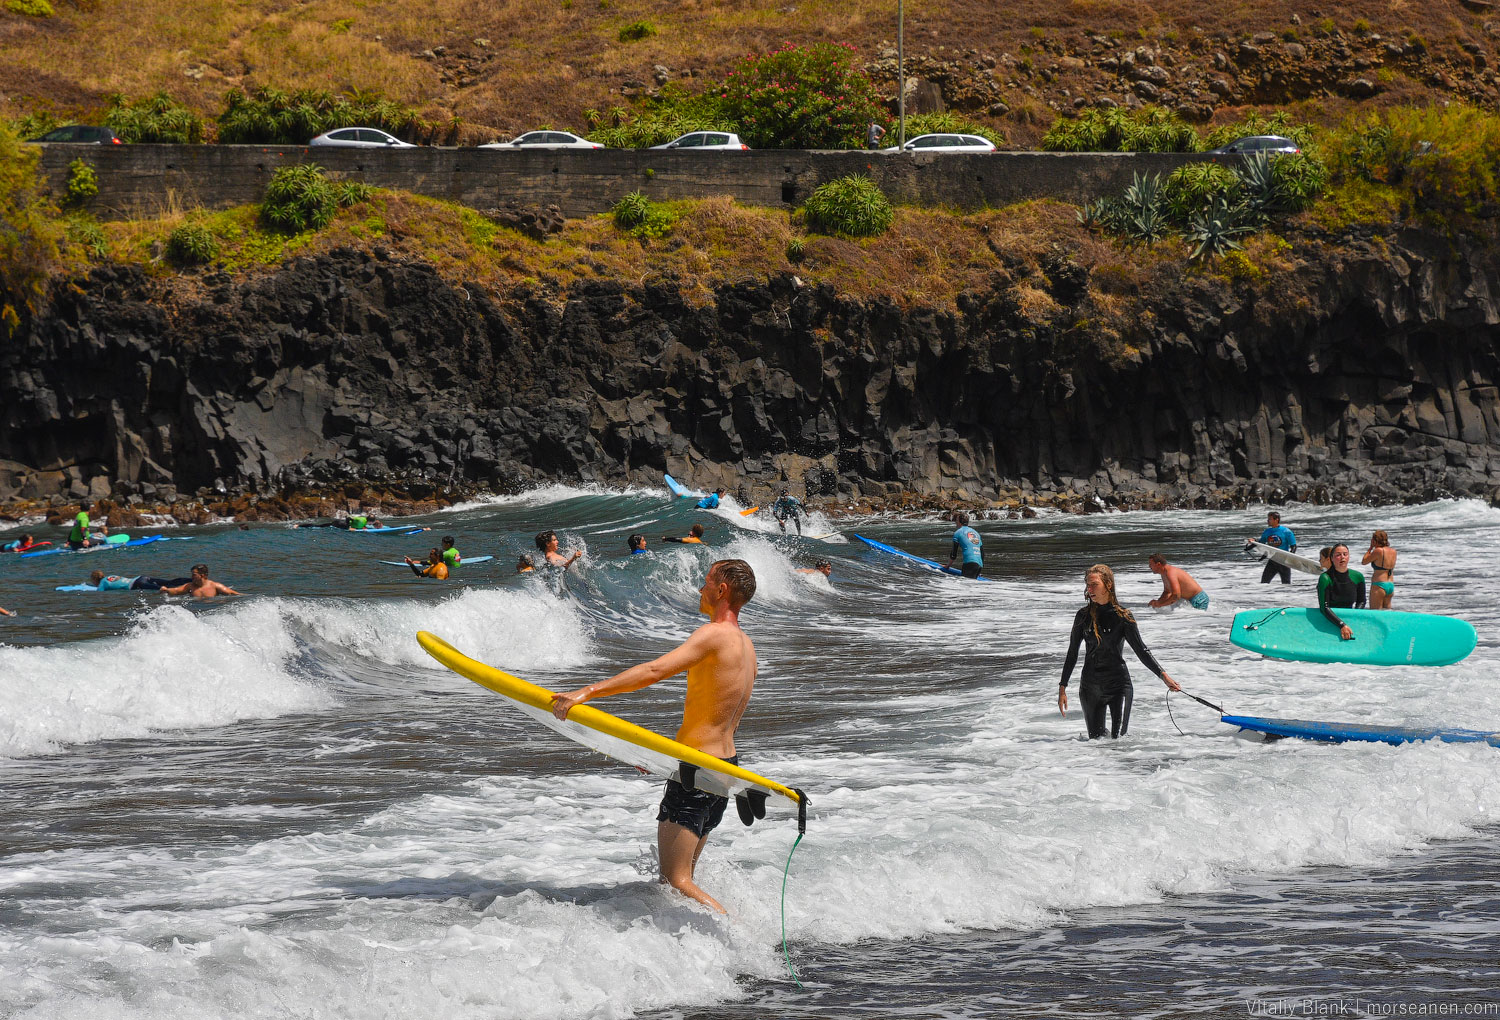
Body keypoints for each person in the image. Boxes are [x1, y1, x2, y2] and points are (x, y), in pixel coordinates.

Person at [550, 559, 759, 913]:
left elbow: (654, 670)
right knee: (684, 879)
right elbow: (713, 718)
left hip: (696, 772)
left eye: (706, 582)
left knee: (676, 882)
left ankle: (737, 936)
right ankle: (702, 954)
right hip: (725, 771)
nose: (700, 589)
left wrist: (587, 692)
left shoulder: (712, 635)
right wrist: (661, 760)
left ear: (722, 590)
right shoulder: (747, 647)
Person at [1058, 564, 1181, 740]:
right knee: (1096, 741)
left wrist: (1164, 676)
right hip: (1090, 687)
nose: (1089, 589)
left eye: (1094, 584)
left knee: (1119, 742)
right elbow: (1072, 653)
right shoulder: (1082, 616)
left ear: (1108, 584)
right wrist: (1062, 688)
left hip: (1119, 685)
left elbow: (1142, 651)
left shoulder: (1123, 616)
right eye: (1087, 585)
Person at [1318, 543, 1366, 641]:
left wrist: (1354, 616)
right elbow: (1324, 608)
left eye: (1345, 554)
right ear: (1332, 558)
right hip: (1330, 621)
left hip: (1349, 620)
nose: (1342, 557)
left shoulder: (1358, 577)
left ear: (1348, 557)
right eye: (1338, 555)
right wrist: (1342, 625)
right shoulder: (1325, 578)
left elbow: (1361, 601)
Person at [1248, 511, 1297, 585]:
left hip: (1283, 562)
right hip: (1272, 560)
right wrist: (1253, 542)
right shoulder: (1267, 531)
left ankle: (1286, 597)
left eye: (1270, 519)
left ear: (1276, 519)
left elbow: (1293, 546)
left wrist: (1289, 558)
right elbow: (1261, 543)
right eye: (1268, 519)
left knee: (1286, 585)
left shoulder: (1286, 531)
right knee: (1264, 583)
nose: (1268, 521)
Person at [1362, 530, 1397, 610]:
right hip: (1390, 584)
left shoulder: (1378, 551)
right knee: (1387, 613)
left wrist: (1370, 548)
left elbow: (1364, 561)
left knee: (1375, 613)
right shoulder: (1393, 551)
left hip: (1379, 585)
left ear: (1374, 540)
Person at [160, 564, 240, 598]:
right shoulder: (190, 586)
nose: (191, 577)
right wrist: (166, 590)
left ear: (202, 575)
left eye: (194, 574)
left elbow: (234, 594)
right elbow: (176, 591)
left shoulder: (215, 586)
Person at [946, 512, 984, 579]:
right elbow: (982, 554)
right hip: (979, 565)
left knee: (965, 587)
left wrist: (947, 566)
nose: (955, 522)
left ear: (960, 522)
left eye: (956, 520)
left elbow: (953, 554)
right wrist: (979, 568)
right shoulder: (976, 533)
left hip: (969, 563)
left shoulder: (958, 533)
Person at [88, 570, 192, 591]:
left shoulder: (102, 583)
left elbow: (99, 592)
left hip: (137, 584)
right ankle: (191, 580)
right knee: (170, 582)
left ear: (94, 579)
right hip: (140, 578)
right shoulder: (111, 575)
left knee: (162, 589)